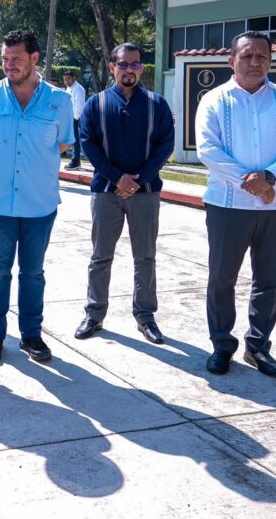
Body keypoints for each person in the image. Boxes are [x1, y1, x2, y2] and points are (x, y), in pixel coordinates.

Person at [196, 31, 276, 377]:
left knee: (269, 281)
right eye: (247, 55)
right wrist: (252, 184)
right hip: (228, 205)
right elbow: (208, 149)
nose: (254, 62)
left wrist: (271, 177)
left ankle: (258, 346)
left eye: (262, 56)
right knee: (222, 279)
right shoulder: (214, 100)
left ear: (271, 61)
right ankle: (221, 344)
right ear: (232, 61)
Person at [0, 29, 74, 364]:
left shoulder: (60, 100)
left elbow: (63, 143)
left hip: (39, 204)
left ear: (34, 58)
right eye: (5, 58)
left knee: (33, 273)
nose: (8, 64)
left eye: (16, 58)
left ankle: (31, 335)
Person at [74, 43, 174, 345]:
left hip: (146, 192)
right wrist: (117, 177)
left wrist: (140, 178)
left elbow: (165, 145)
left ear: (141, 68)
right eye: (123, 64)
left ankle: (145, 316)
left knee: (145, 256)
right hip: (106, 192)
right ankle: (94, 313)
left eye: (135, 64)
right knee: (100, 256)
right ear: (111, 67)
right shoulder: (96, 104)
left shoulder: (157, 104)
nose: (129, 70)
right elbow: (88, 143)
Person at [63, 71, 86, 169]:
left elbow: (79, 107)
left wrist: (74, 120)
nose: (66, 81)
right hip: (70, 117)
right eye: (65, 79)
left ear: (74, 78)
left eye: (68, 79)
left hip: (77, 118)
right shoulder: (68, 88)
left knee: (76, 140)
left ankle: (75, 161)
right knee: (73, 140)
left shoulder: (78, 89)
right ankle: (75, 160)